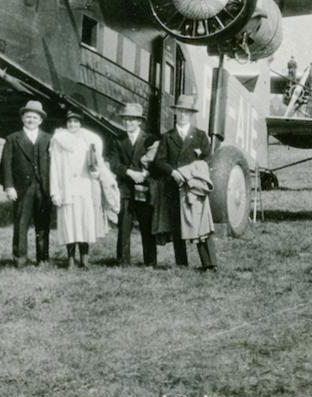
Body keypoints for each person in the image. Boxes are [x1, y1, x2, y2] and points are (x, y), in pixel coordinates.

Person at [150, 94, 218, 270]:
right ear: (175, 113)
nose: (182, 115)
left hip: (194, 188)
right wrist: (172, 172)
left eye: (186, 112)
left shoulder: (200, 136)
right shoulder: (167, 137)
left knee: (201, 225)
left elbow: (208, 159)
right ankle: (181, 264)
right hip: (174, 187)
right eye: (180, 111)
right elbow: (159, 161)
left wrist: (191, 173)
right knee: (177, 225)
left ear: (191, 115)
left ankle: (209, 264)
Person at [49, 110, 108, 268]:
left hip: (85, 187)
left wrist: (96, 173)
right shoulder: (59, 141)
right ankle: (70, 258)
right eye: (70, 122)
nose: (73, 125)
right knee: (69, 223)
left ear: (81, 123)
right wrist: (55, 191)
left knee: (84, 222)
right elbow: (54, 167)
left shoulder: (88, 140)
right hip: (66, 188)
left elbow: (96, 163)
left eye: (76, 122)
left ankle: (84, 258)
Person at [1, 100, 52, 267]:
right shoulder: (12, 139)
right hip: (22, 188)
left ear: (41, 120)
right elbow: (6, 164)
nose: (31, 120)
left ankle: (43, 258)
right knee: (21, 223)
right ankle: (20, 258)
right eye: (28, 116)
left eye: (35, 117)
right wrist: (9, 186)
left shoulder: (49, 139)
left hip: (44, 187)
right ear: (23, 118)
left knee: (43, 223)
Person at [108, 102, 158, 267]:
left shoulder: (149, 139)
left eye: (132, 120)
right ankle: (123, 261)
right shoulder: (117, 139)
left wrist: (144, 174)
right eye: (126, 119)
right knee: (124, 225)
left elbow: (156, 162)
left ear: (139, 122)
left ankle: (150, 262)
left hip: (144, 188)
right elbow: (114, 164)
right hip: (125, 189)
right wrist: (130, 173)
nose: (128, 123)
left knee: (146, 225)